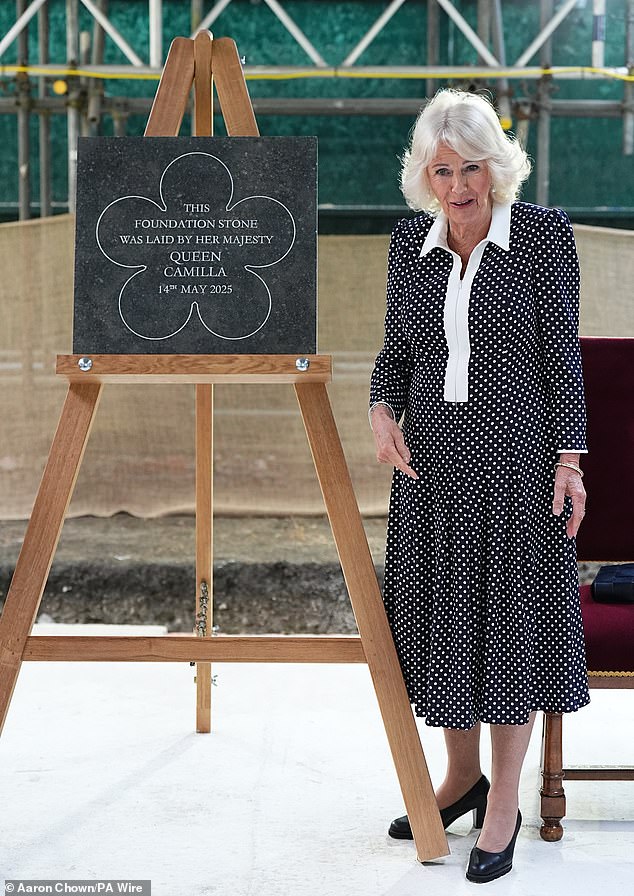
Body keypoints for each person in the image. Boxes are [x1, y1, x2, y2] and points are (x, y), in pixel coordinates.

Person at [369, 89, 588, 884]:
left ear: (498, 168)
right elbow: (396, 352)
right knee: (445, 631)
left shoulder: (539, 236)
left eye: (472, 168)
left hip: (515, 468)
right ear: (424, 177)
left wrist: (569, 461)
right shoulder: (406, 245)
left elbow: (561, 353)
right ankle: (462, 779)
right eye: (443, 170)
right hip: (431, 473)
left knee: (507, 636)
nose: (460, 186)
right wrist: (380, 410)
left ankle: (505, 807)